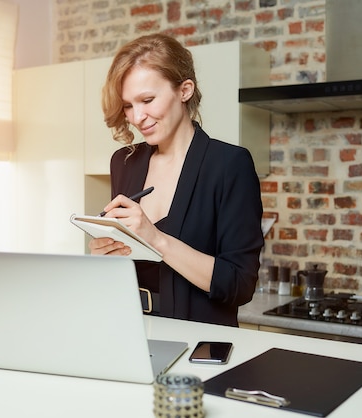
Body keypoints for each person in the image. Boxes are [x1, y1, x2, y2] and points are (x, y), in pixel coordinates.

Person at [89, 33, 264, 327]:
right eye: (128, 105)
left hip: (201, 342)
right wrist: (105, 254)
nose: (137, 117)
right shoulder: (124, 162)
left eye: (147, 100)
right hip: (129, 329)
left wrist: (156, 239)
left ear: (184, 90)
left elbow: (239, 285)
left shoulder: (229, 165)